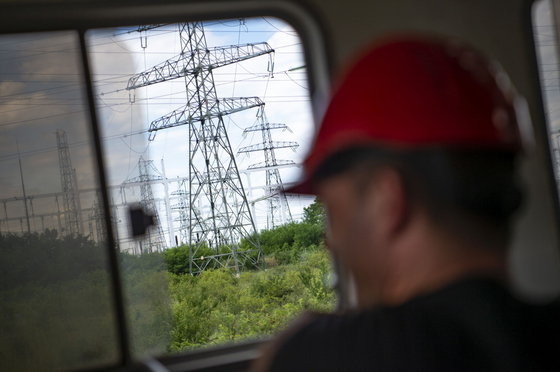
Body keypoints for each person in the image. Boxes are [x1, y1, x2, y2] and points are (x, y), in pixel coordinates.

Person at [252, 35, 560, 371]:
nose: (331, 240)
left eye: (332, 213)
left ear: (389, 201)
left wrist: (299, 345)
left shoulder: (322, 355)